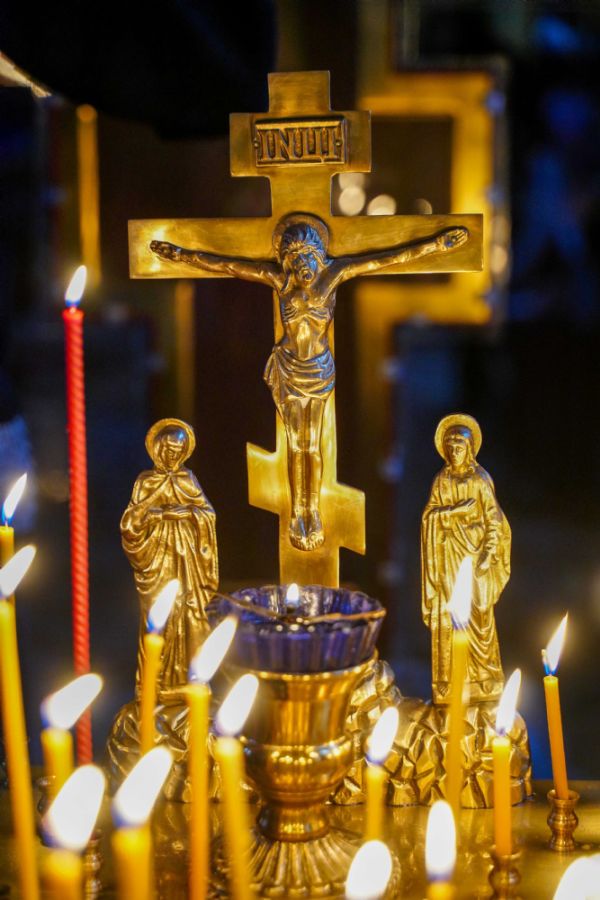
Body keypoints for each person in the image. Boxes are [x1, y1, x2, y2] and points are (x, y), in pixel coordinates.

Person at [151, 214, 468, 552]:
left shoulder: (333, 275)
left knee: (312, 444)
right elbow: (228, 265)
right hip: (289, 368)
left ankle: (312, 509)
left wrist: (435, 245)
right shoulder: (279, 280)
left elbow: (386, 259)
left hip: (317, 371)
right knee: (295, 443)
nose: (301, 264)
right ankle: (297, 511)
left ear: (317, 255)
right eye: (294, 258)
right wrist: (182, 255)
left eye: (306, 256)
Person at [120, 418, 218, 696]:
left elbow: (208, 514)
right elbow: (130, 523)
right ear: (158, 448)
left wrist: (188, 513)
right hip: (157, 561)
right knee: (159, 617)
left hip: (187, 563)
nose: (173, 456)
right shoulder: (146, 482)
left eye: (178, 451)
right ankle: (156, 684)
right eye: (169, 450)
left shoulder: (188, 480)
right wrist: (159, 514)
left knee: (190, 614)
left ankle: (192, 681)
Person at [421, 414, 510, 704]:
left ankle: (486, 676)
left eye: (459, 447)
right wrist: (455, 512)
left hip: (474, 558)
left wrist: (487, 554)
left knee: (480, 615)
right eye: (450, 447)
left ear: (469, 450)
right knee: (450, 615)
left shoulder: (480, 480)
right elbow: (429, 517)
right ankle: (450, 679)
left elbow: (495, 521)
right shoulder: (441, 481)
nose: (454, 452)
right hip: (448, 557)